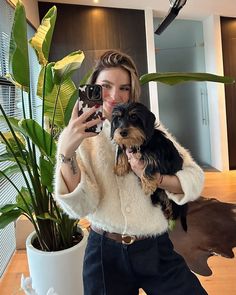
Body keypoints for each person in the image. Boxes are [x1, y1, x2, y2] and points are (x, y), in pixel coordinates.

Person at [54, 50, 208, 295]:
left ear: (132, 92)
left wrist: (157, 179)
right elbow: (81, 206)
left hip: (155, 249)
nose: (115, 96)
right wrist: (66, 153)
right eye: (105, 86)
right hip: (104, 254)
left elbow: (195, 178)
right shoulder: (78, 139)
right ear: (92, 88)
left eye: (124, 88)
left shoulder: (150, 130)